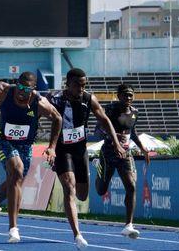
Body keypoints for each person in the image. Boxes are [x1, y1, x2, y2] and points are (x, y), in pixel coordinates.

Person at [0, 71, 62, 243]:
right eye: (19, 87)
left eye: (26, 89)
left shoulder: (40, 103)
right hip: (4, 142)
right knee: (17, 170)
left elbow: (58, 118)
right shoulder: (4, 91)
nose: (21, 92)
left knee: (16, 179)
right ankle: (13, 229)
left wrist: (52, 147)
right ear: (16, 84)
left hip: (26, 147)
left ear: (33, 89)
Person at [47, 68, 126, 249]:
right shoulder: (56, 98)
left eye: (84, 85)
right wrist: (51, 148)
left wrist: (116, 143)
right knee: (69, 187)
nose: (81, 89)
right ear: (68, 84)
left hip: (80, 150)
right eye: (77, 85)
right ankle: (77, 235)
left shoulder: (89, 99)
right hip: (62, 150)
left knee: (82, 195)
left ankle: (100, 175)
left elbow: (105, 120)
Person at [94, 83, 150, 239]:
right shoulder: (111, 109)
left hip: (125, 153)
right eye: (125, 94)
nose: (129, 98)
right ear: (118, 96)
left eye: (131, 95)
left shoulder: (135, 112)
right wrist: (112, 136)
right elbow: (98, 130)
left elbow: (132, 133)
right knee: (101, 190)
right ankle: (98, 167)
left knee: (131, 186)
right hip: (109, 152)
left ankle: (128, 225)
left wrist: (143, 148)